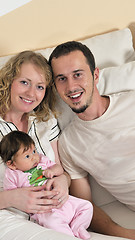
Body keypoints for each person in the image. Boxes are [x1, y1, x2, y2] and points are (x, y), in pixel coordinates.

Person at [0, 50, 70, 240]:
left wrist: (62, 183)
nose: (31, 93)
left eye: (40, 87)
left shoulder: (46, 121)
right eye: (24, 82)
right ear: (9, 81)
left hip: (52, 218)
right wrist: (13, 198)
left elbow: (62, 172)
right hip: (4, 221)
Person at [48, 41, 135, 240]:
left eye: (78, 74)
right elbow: (84, 207)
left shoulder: (131, 101)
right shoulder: (69, 144)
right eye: (62, 79)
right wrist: (125, 234)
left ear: (95, 75)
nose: (71, 86)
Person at [0, 130, 93, 240]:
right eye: (27, 156)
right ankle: (70, 236)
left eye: (34, 151)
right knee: (53, 223)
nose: (34, 157)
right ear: (12, 164)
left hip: (64, 200)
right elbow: (11, 196)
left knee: (87, 206)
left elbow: (59, 168)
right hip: (45, 210)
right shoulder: (12, 175)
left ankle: (78, 227)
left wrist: (53, 171)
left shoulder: (42, 160)